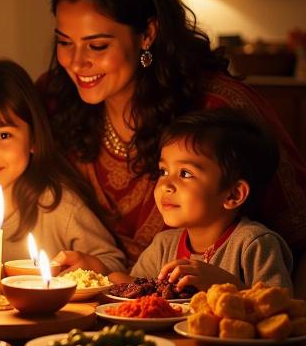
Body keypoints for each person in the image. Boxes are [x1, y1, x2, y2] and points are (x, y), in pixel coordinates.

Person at [39, 0, 306, 296]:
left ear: (147, 34)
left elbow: (297, 233)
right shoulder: (54, 100)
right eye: (65, 42)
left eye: (97, 46)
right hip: (114, 305)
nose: (75, 62)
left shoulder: (217, 110)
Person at [0, 60, 126, 274]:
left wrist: (91, 268)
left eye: (3, 135)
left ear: (33, 140)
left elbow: (113, 263)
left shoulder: (57, 206)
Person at [109, 108, 293, 292]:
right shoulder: (164, 245)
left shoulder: (254, 244)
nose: (166, 185)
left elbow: (280, 310)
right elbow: (138, 291)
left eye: (185, 173)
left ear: (233, 195)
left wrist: (226, 287)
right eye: (163, 171)